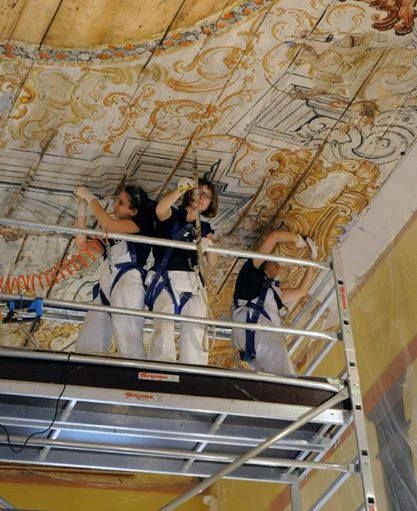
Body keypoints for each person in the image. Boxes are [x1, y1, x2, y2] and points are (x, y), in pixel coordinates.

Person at [73, 185, 154, 358]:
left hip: (128, 282)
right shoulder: (111, 235)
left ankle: (133, 372)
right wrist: (82, 210)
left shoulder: (141, 224)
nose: (115, 205)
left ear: (133, 211)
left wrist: (90, 198)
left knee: (128, 339)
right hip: (106, 285)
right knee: (89, 340)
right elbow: (82, 245)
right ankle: (83, 370)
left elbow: (107, 223)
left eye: (121, 203)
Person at [145, 177, 218, 365]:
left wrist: (209, 245)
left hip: (192, 283)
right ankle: (161, 368)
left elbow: (213, 262)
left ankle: (193, 371)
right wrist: (180, 190)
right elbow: (160, 209)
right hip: (166, 278)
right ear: (190, 194)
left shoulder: (205, 228)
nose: (203, 197)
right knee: (164, 326)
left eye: (208, 196)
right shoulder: (173, 215)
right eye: (200, 192)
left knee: (196, 329)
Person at [232, 230, 317, 376]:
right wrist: (298, 239)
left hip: (253, 338)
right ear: (265, 262)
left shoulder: (274, 292)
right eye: (274, 260)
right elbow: (275, 236)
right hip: (255, 327)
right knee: (283, 371)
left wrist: (312, 262)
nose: (278, 265)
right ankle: (292, 389)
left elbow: (302, 291)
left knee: (268, 379)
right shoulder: (251, 273)